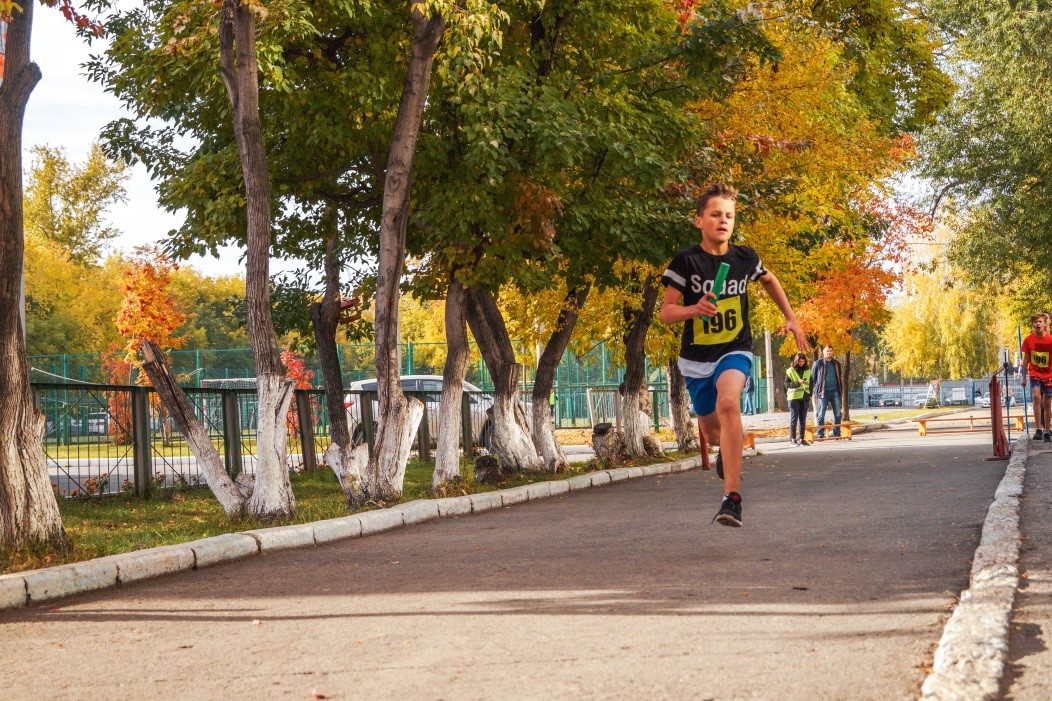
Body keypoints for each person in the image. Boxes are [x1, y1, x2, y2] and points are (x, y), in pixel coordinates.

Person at [659, 183, 807, 527]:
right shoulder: (686, 260)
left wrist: (791, 317)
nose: (723, 220)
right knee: (713, 435)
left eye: (729, 215)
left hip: (735, 349)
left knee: (729, 404)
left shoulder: (744, 258)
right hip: (696, 359)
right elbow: (666, 312)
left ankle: (732, 499)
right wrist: (695, 309)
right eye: (715, 214)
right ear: (699, 221)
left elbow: (769, 280)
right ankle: (726, 451)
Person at [1021, 312, 1052, 441]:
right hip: (1034, 372)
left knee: (1047, 402)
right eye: (1035, 322)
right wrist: (1024, 377)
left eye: (1040, 321)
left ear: (1044, 324)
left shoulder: (1050, 340)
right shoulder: (1028, 339)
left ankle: (1047, 431)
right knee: (1036, 397)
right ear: (1032, 325)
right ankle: (1038, 429)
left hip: (1049, 373)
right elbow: (1026, 359)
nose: (1038, 324)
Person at [810, 345, 843, 438]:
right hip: (823, 392)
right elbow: (813, 378)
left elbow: (839, 376)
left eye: (831, 351)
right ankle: (820, 433)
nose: (829, 352)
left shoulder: (836, 363)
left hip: (835, 391)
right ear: (823, 352)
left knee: (837, 414)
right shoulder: (818, 363)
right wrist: (818, 389)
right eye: (827, 351)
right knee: (821, 414)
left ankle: (837, 432)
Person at [785, 352, 811, 446]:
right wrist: (797, 383)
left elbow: (811, 383)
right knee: (794, 419)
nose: (801, 363)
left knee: (802, 420)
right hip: (794, 398)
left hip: (804, 397)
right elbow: (787, 384)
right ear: (796, 361)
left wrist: (810, 394)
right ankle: (792, 439)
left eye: (803, 361)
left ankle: (801, 439)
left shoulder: (808, 370)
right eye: (800, 361)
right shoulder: (790, 370)